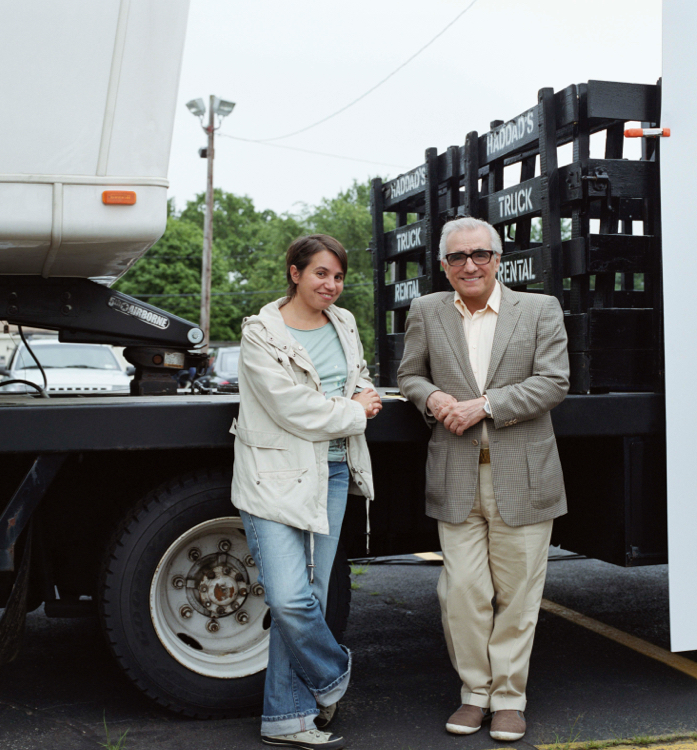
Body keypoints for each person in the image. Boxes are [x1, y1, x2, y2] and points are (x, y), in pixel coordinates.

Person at [397, 216, 569, 742]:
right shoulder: (426, 310)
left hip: (524, 474)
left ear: (498, 258)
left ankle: (510, 698)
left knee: (518, 595)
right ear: (444, 266)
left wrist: (486, 406)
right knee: (463, 592)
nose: (469, 265)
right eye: (457, 258)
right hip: (455, 475)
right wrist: (433, 397)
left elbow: (554, 382)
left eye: (480, 255)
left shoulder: (539, 309)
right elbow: (409, 374)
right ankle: (475, 693)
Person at [231, 234, 382, 750]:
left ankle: (286, 718)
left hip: (332, 473)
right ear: (295, 273)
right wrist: (355, 412)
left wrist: (365, 391)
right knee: (290, 598)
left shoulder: (344, 322)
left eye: (338, 276)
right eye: (321, 273)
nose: (332, 285)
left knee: (312, 596)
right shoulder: (261, 335)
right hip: (273, 476)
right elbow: (289, 406)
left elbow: (353, 374)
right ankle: (331, 675)